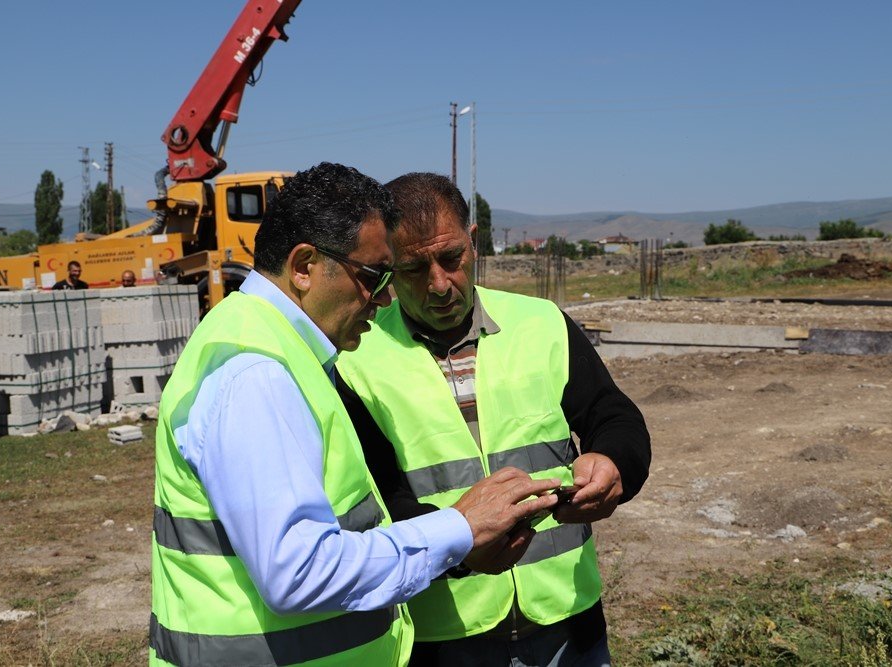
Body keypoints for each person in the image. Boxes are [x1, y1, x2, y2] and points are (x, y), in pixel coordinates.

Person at [150, 163, 563, 667]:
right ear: (304, 266)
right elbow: (297, 572)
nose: (386, 297)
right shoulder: (255, 375)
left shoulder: (282, 352)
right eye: (374, 276)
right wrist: (459, 528)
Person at [336, 172, 651, 666]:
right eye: (415, 268)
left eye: (451, 259)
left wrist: (615, 463)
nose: (439, 284)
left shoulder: (541, 322)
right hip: (442, 637)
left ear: (474, 242)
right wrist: (460, 548)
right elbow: (372, 503)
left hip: (569, 625)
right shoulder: (356, 358)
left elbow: (612, 414)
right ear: (387, 266)